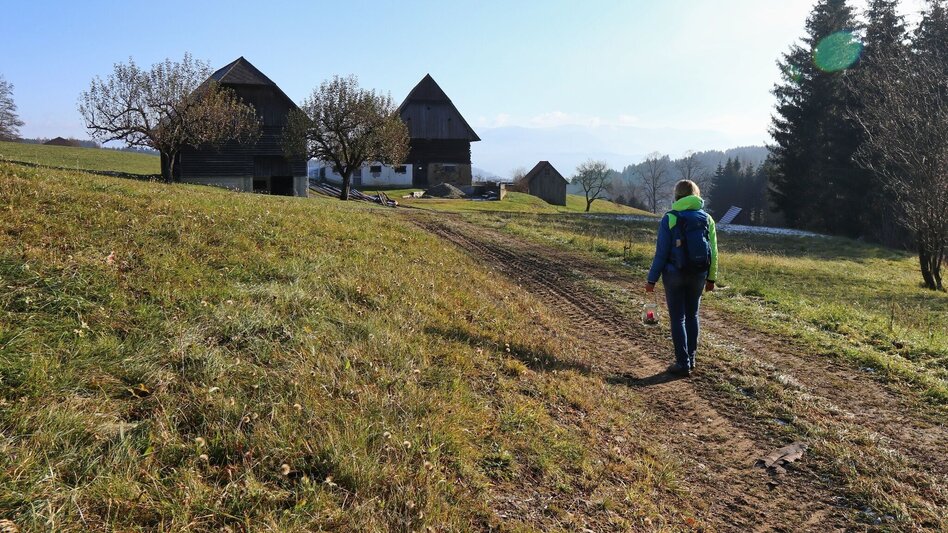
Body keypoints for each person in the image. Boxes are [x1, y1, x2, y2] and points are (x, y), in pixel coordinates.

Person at [645, 180, 718, 376]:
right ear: (696, 195)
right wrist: (711, 278)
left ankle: (682, 363)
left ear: (677, 195)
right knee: (692, 315)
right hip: (698, 275)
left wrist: (651, 280)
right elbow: (714, 252)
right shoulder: (707, 219)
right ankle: (691, 359)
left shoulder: (670, 218)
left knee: (678, 318)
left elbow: (661, 253)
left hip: (673, 275)